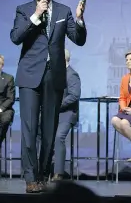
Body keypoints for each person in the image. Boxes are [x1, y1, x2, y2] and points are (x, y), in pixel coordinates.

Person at [10, 0, 87, 193]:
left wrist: (80, 19)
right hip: (29, 76)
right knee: (29, 129)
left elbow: (78, 40)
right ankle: (30, 178)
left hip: (54, 77)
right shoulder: (24, 10)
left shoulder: (64, 11)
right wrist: (36, 15)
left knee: (49, 131)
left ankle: (43, 174)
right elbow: (15, 37)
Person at [52, 49, 80, 181]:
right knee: (38, 134)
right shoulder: (54, 74)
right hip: (53, 113)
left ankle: (58, 173)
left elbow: (74, 95)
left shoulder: (72, 74)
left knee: (58, 138)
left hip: (67, 113)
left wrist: (57, 106)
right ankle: (44, 168)